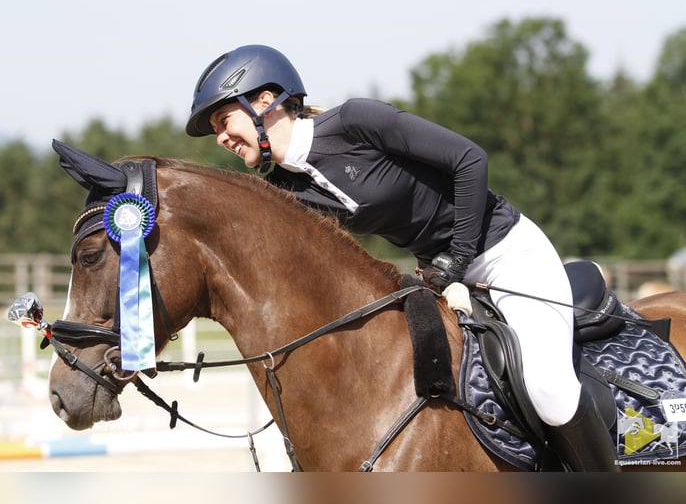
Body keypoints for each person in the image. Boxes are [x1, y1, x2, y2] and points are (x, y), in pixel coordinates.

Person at [185, 44, 619, 472]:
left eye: (224, 120)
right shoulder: (287, 190)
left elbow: (469, 160)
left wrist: (460, 259)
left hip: (505, 253)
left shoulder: (356, 121)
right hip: (442, 277)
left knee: (550, 390)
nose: (222, 138)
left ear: (266, 100)